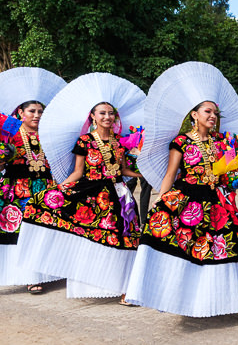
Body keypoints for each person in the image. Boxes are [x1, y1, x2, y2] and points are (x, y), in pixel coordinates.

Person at [125, 61, 238, 319]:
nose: (213, 116)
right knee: (182, 246)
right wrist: (161, 201)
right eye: (207, 111)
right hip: (187, 199)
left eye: (215, 114)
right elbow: (171, 174)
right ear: (194, 114)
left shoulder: (223, 142)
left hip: (217, 201)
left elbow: (230, 172)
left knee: (232, 245)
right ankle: (175, 296)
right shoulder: (180, 142)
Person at [18, 73, 145, 300]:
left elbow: (123, 170)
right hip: (94, 194)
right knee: (99, 237)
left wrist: (142, 173)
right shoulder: (85, 141)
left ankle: (125, 286)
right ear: (93, 117)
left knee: (126, 237)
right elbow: (78, 172)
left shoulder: (119, 142)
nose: (107, 117)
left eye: (110, 113)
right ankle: (99, 283)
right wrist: (56, 190)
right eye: (102, 113)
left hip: (121, 195)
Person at [0, 67, 66, 293]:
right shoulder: (10, 132)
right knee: (19, 230)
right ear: (20, 112)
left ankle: (44, 272)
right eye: (32, 111)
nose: (37, 115)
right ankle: (29, 276)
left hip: (44, 188)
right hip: (17, 188)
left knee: (42, 231)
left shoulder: (49, 133)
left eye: (40, 111)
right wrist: (4, 154)